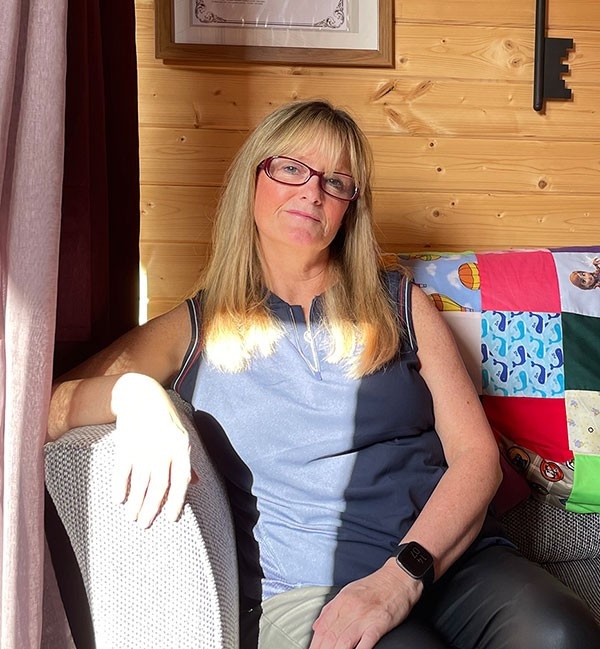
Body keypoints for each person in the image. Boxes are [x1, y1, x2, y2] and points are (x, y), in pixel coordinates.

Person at [48, 100, 600, 649]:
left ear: (348, 209)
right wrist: (136, 396)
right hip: (308, 592)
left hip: (442, 563)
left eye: (336, 182)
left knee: (560, 633)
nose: (313, 192)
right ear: (252, 180)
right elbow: (44, 404)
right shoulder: (195, 326)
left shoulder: (400, 302)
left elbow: (476, 457)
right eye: (292, 168)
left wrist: (401, 577)